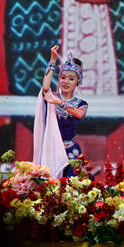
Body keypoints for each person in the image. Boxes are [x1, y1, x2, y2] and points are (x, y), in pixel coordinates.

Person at [35, 45, 89, 178]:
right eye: (63, 77)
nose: (66, 81)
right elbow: (45, 88)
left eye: (71, 79)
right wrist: (53, 61)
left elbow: (79, 114)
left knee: (72, 186)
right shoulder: (52, 97)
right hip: (51, 152)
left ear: (78, 82)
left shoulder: (80, 104)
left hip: (70, 153)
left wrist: (59, 102)